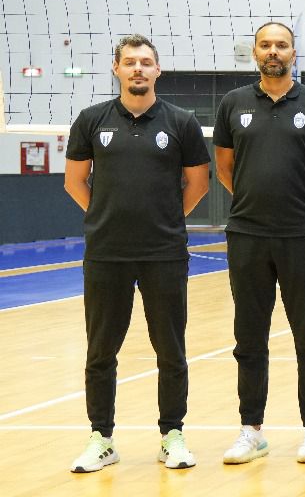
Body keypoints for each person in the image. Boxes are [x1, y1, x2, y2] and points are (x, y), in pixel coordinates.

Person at [65, 34, 211, 473]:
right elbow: (74, 181)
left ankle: (172, 435)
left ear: (157, 70)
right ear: (117, 69)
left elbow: (198, 183)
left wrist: (166, 219)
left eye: (146, 62)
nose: (138, 69)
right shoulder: (91, 120)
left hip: (164, 253)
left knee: (170, 350)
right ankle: (101, 438)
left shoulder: (181, 122)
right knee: (101, 351)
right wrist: (105, 216)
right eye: (130, 62)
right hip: (106, 252)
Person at [212, 22, 305, 466]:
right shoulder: (233, 103)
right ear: (255, 52)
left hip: (303, 234)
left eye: (281, 45)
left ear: (294, 53)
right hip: (248, 235)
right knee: (249, 336)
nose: (273, 51)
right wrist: (252, 200)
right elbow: (224, 168)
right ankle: (251, 430)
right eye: (265, 45)